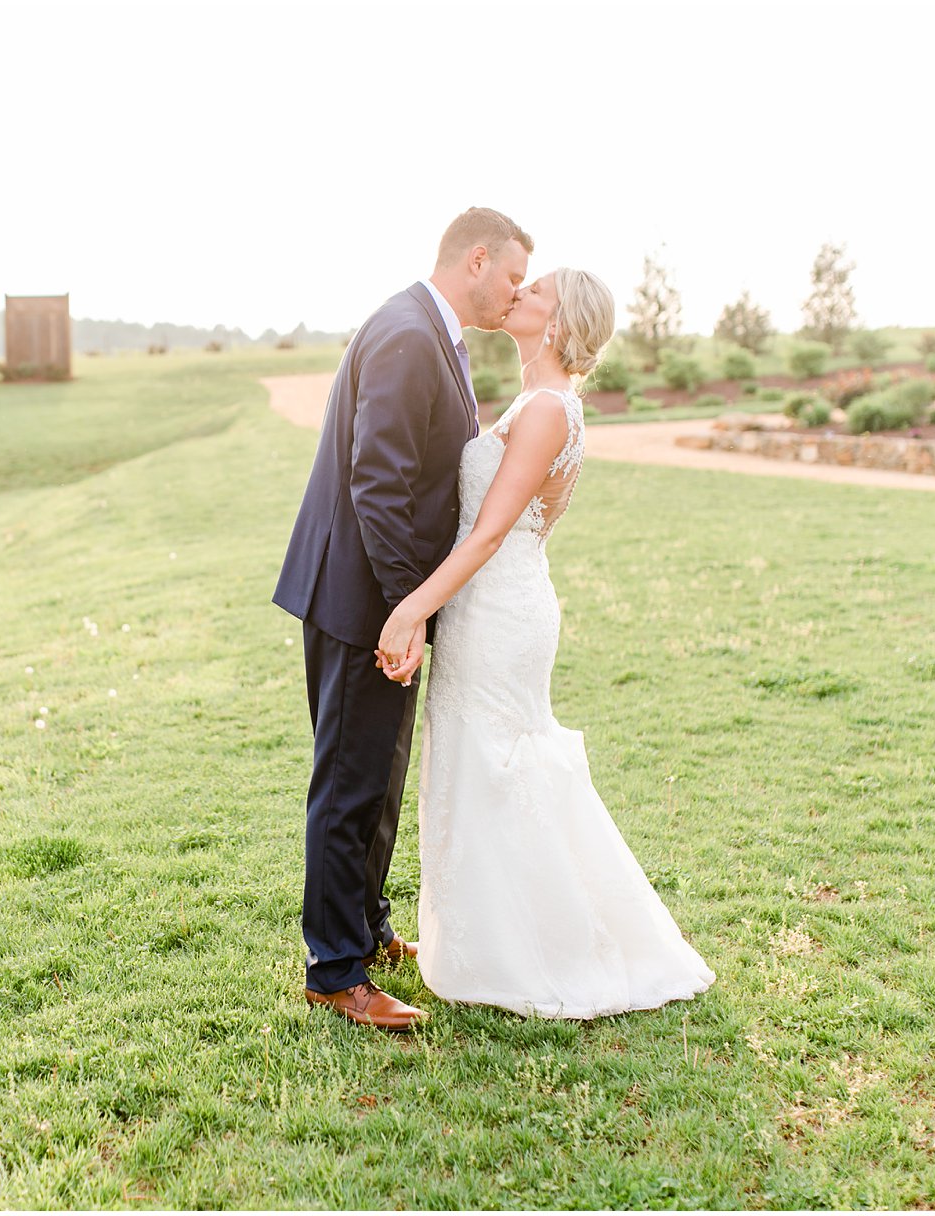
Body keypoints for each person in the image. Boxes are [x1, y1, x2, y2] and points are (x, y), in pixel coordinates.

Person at [375, 267, 716, 1019]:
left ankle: (541, 949)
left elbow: (495, 530)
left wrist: (411, 612)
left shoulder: (549, 411)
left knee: (499, 764)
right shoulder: (536, 402)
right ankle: (485, 937)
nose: (520, 293)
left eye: (537, 293)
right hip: (490, 601)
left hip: (500, 610)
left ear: (557, 325)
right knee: (475, 761)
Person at [272, 207, 532, 1031]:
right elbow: (376, 485)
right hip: (360, 602)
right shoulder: (405, 331)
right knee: (349, 784)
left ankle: (370, 927)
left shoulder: (438, 334)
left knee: (380, 777)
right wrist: (403, 611)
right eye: (515, 277)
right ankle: (334, 969)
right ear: (477, 259)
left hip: (383, 603)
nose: (516, 294)